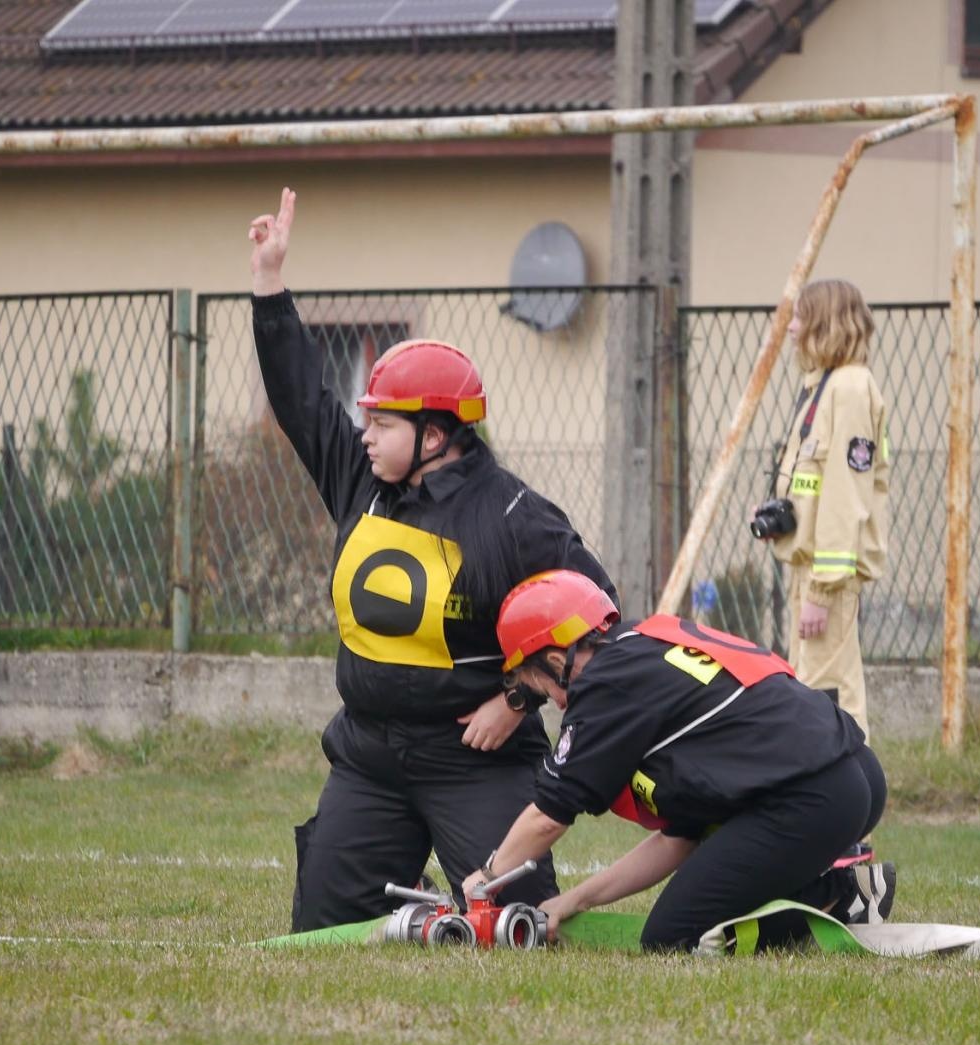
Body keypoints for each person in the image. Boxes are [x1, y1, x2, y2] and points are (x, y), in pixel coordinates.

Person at [248, 188, 616, 931]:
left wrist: (518, 701)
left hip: (472, 761)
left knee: (510, 926)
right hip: (367, 757)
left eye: (382, 423)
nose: (365, 434)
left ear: (439, 433)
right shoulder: (360, 478)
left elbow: (597, 620)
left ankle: (450, 886)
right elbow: (299, 399)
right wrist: (270, 283)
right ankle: (406, 882)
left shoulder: (514, 516)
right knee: (325, 935)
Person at [460, 570, 892, 953]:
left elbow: (548, 817)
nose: (551, 702)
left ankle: (838, 893)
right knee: (690, 909)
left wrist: (487, 874)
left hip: (814, 797)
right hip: (854, 774)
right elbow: (677, 839)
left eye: (537, 685)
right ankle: (832, 885)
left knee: (672, 938)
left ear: (555, 660)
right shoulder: (641, 647)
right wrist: (575, 900)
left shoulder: (605, 686)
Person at [753, 278, 890, 738]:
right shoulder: (824, 387)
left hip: (824, 580)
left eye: (799, 317)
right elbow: (815, 486)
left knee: (827, 700)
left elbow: (845, 499)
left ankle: (845, 800)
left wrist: (823, 592)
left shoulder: (849, 389)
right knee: (813, 696)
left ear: (824, 323)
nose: (790, 328)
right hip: (808, 572)